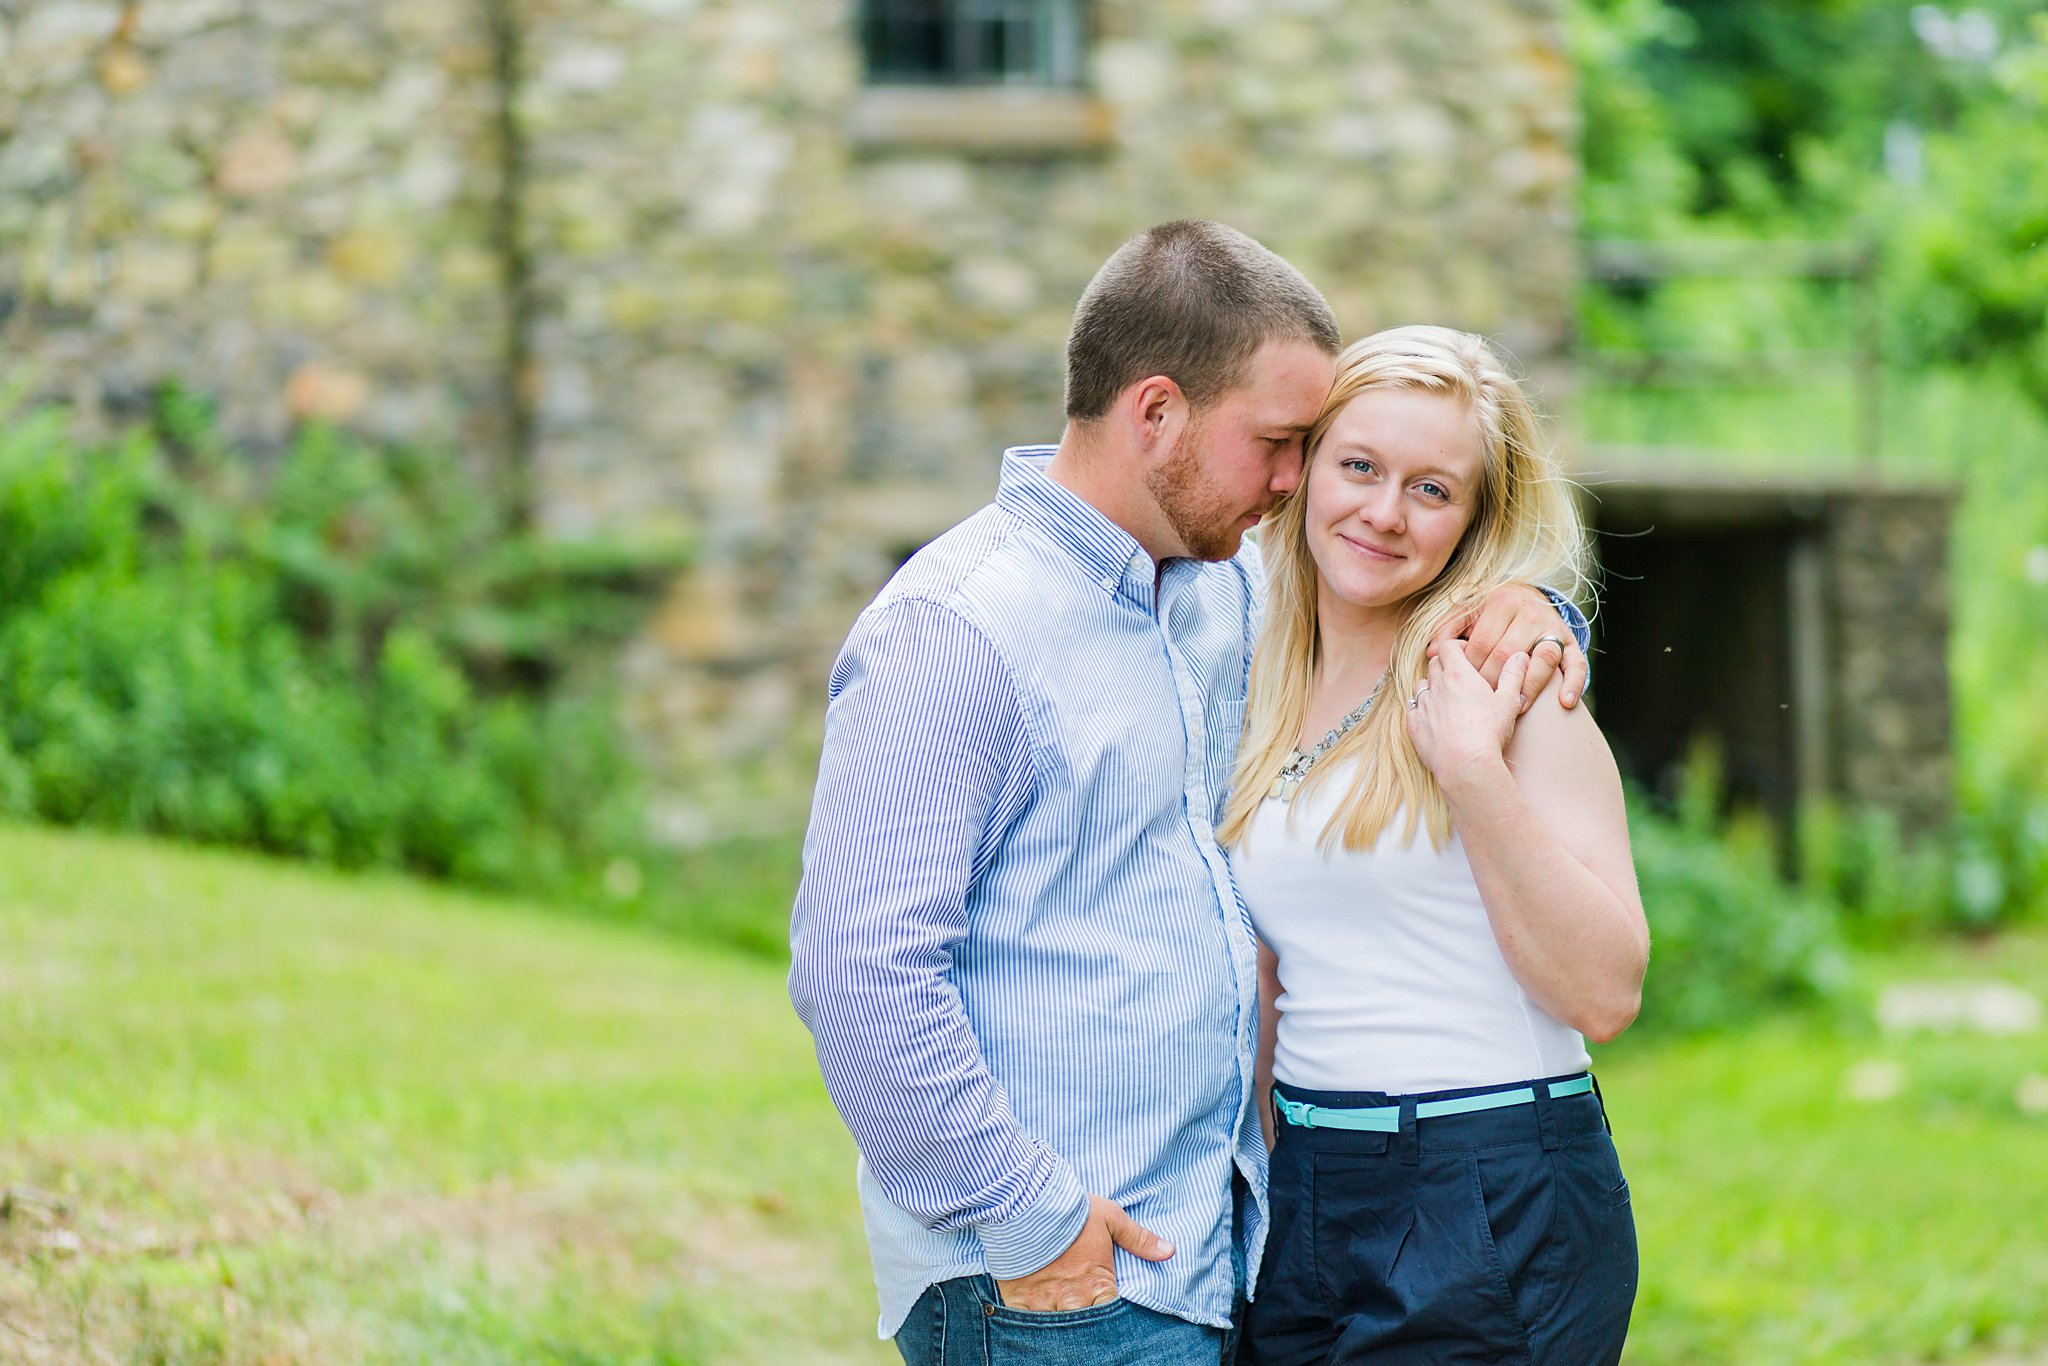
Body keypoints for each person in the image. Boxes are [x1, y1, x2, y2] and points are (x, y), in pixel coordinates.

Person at [788, 222, 1591, 1366]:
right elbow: (855, 970)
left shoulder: (1219, 595)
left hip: (1209, 1260)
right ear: (1154, 413)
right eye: (1275, 443)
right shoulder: (955, 628)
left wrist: (1532, 614)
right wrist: (1033, 1218)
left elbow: (1385, 607)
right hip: (1052, 1282)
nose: (1293, 480)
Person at [1223, 325, 1648, 1365]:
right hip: (1312, 1184)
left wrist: (1471, 774)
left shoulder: (1509, 685)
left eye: (1429, 489)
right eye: (1358, 466)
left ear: (1472, 521)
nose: (1380, 512)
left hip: (1488, 1185)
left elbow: (1605, 990)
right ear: (1304, 468)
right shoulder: (1253, 670)